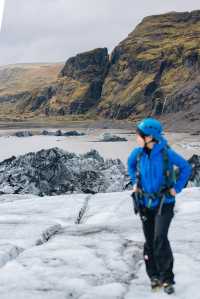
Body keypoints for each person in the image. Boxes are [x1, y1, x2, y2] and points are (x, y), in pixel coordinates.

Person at [127, 117, 192, 295]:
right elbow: (130, 166)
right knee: (150, 242)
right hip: (144, 203)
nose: (137, 137)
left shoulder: (166, 153)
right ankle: (154, 276)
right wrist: (135, 182)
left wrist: (176, 188)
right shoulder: (137, 153)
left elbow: (186, 168)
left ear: (150, 137)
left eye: (139, 135)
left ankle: (167, 279)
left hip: (165, 203)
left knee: (160, 239)